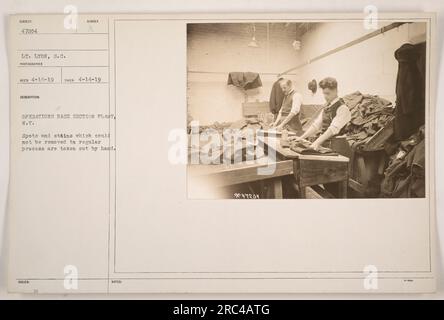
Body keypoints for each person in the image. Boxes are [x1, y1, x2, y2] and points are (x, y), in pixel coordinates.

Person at [297, 77, 351, 150]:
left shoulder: (343, 109)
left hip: (336, 146)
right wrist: (301, 138)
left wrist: (316, 143)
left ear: (336, 91)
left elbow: (332, 129)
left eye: (328, 93)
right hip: (325, 143)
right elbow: (316, 125)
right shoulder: (327, 106)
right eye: (324, 93)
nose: (325, 96)